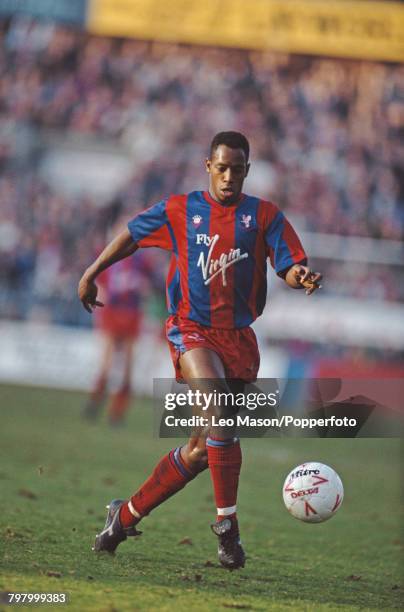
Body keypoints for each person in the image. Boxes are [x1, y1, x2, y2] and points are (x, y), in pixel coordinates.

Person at [78, 131, 322, 569]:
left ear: (248, 170)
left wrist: (300, 276)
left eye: (237, 169)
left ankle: (125, 515)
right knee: (221, 420)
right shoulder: (180, 209)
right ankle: (227, 532)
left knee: (200, 449)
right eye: (221, 167)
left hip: (240, 340)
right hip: (191, 330)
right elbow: (132, 234)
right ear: (208, 165)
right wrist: (93, 270)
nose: (229, 176)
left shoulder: (264, 216)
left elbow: (287, 264)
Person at [83, 244, 150, 426]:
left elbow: (149, 285)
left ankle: (117, 412)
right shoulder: (108, 256)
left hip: (132, 315)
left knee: (128, 368)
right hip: (112, 313)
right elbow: (100, 285)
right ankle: (95, 403)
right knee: (106, 364)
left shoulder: (142, 261)